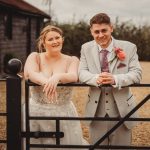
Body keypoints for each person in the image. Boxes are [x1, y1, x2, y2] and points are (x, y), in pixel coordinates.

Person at [78, 13, 142, 149]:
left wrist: (116, 79)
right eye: (96, 31)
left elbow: (137, 74)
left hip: (123, 111)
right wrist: (96, 78)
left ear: (111, 28)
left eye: (104, 30)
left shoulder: (129, 47)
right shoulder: (85, 48)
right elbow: (81, 73)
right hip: (96, 112)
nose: (100, 35)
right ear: (91, 31)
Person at [24, 25, 87, 149]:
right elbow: (31, 74)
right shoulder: (35, 57)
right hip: (36, 112)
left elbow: (73, 76)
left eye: (57, 38)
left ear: (62, 39)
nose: (55, 41)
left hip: (63, 112)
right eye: (50, 39)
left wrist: (57, 77)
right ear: (43, 42)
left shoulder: (72, 60)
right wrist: (47, 83)